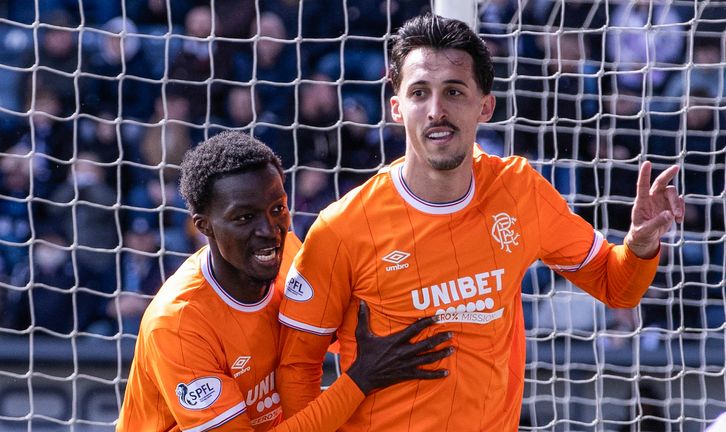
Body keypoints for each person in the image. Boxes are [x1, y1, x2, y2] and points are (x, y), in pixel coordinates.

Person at [277, 13, 685, 431]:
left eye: (454, 91)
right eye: (419, 93)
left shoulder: (519, 190)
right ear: (397, 108)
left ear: (485, 106)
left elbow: (617, 287)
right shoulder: (342, 227)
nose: (436, 110)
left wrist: (639, 245)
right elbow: (296, 366)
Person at [117, 131, 454, 432]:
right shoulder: (177, 324)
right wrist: (360, 380)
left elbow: (337, 335)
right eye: (244, 218)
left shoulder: (290, 255)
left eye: (277, 209)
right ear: (203, 226)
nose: (270, 231)